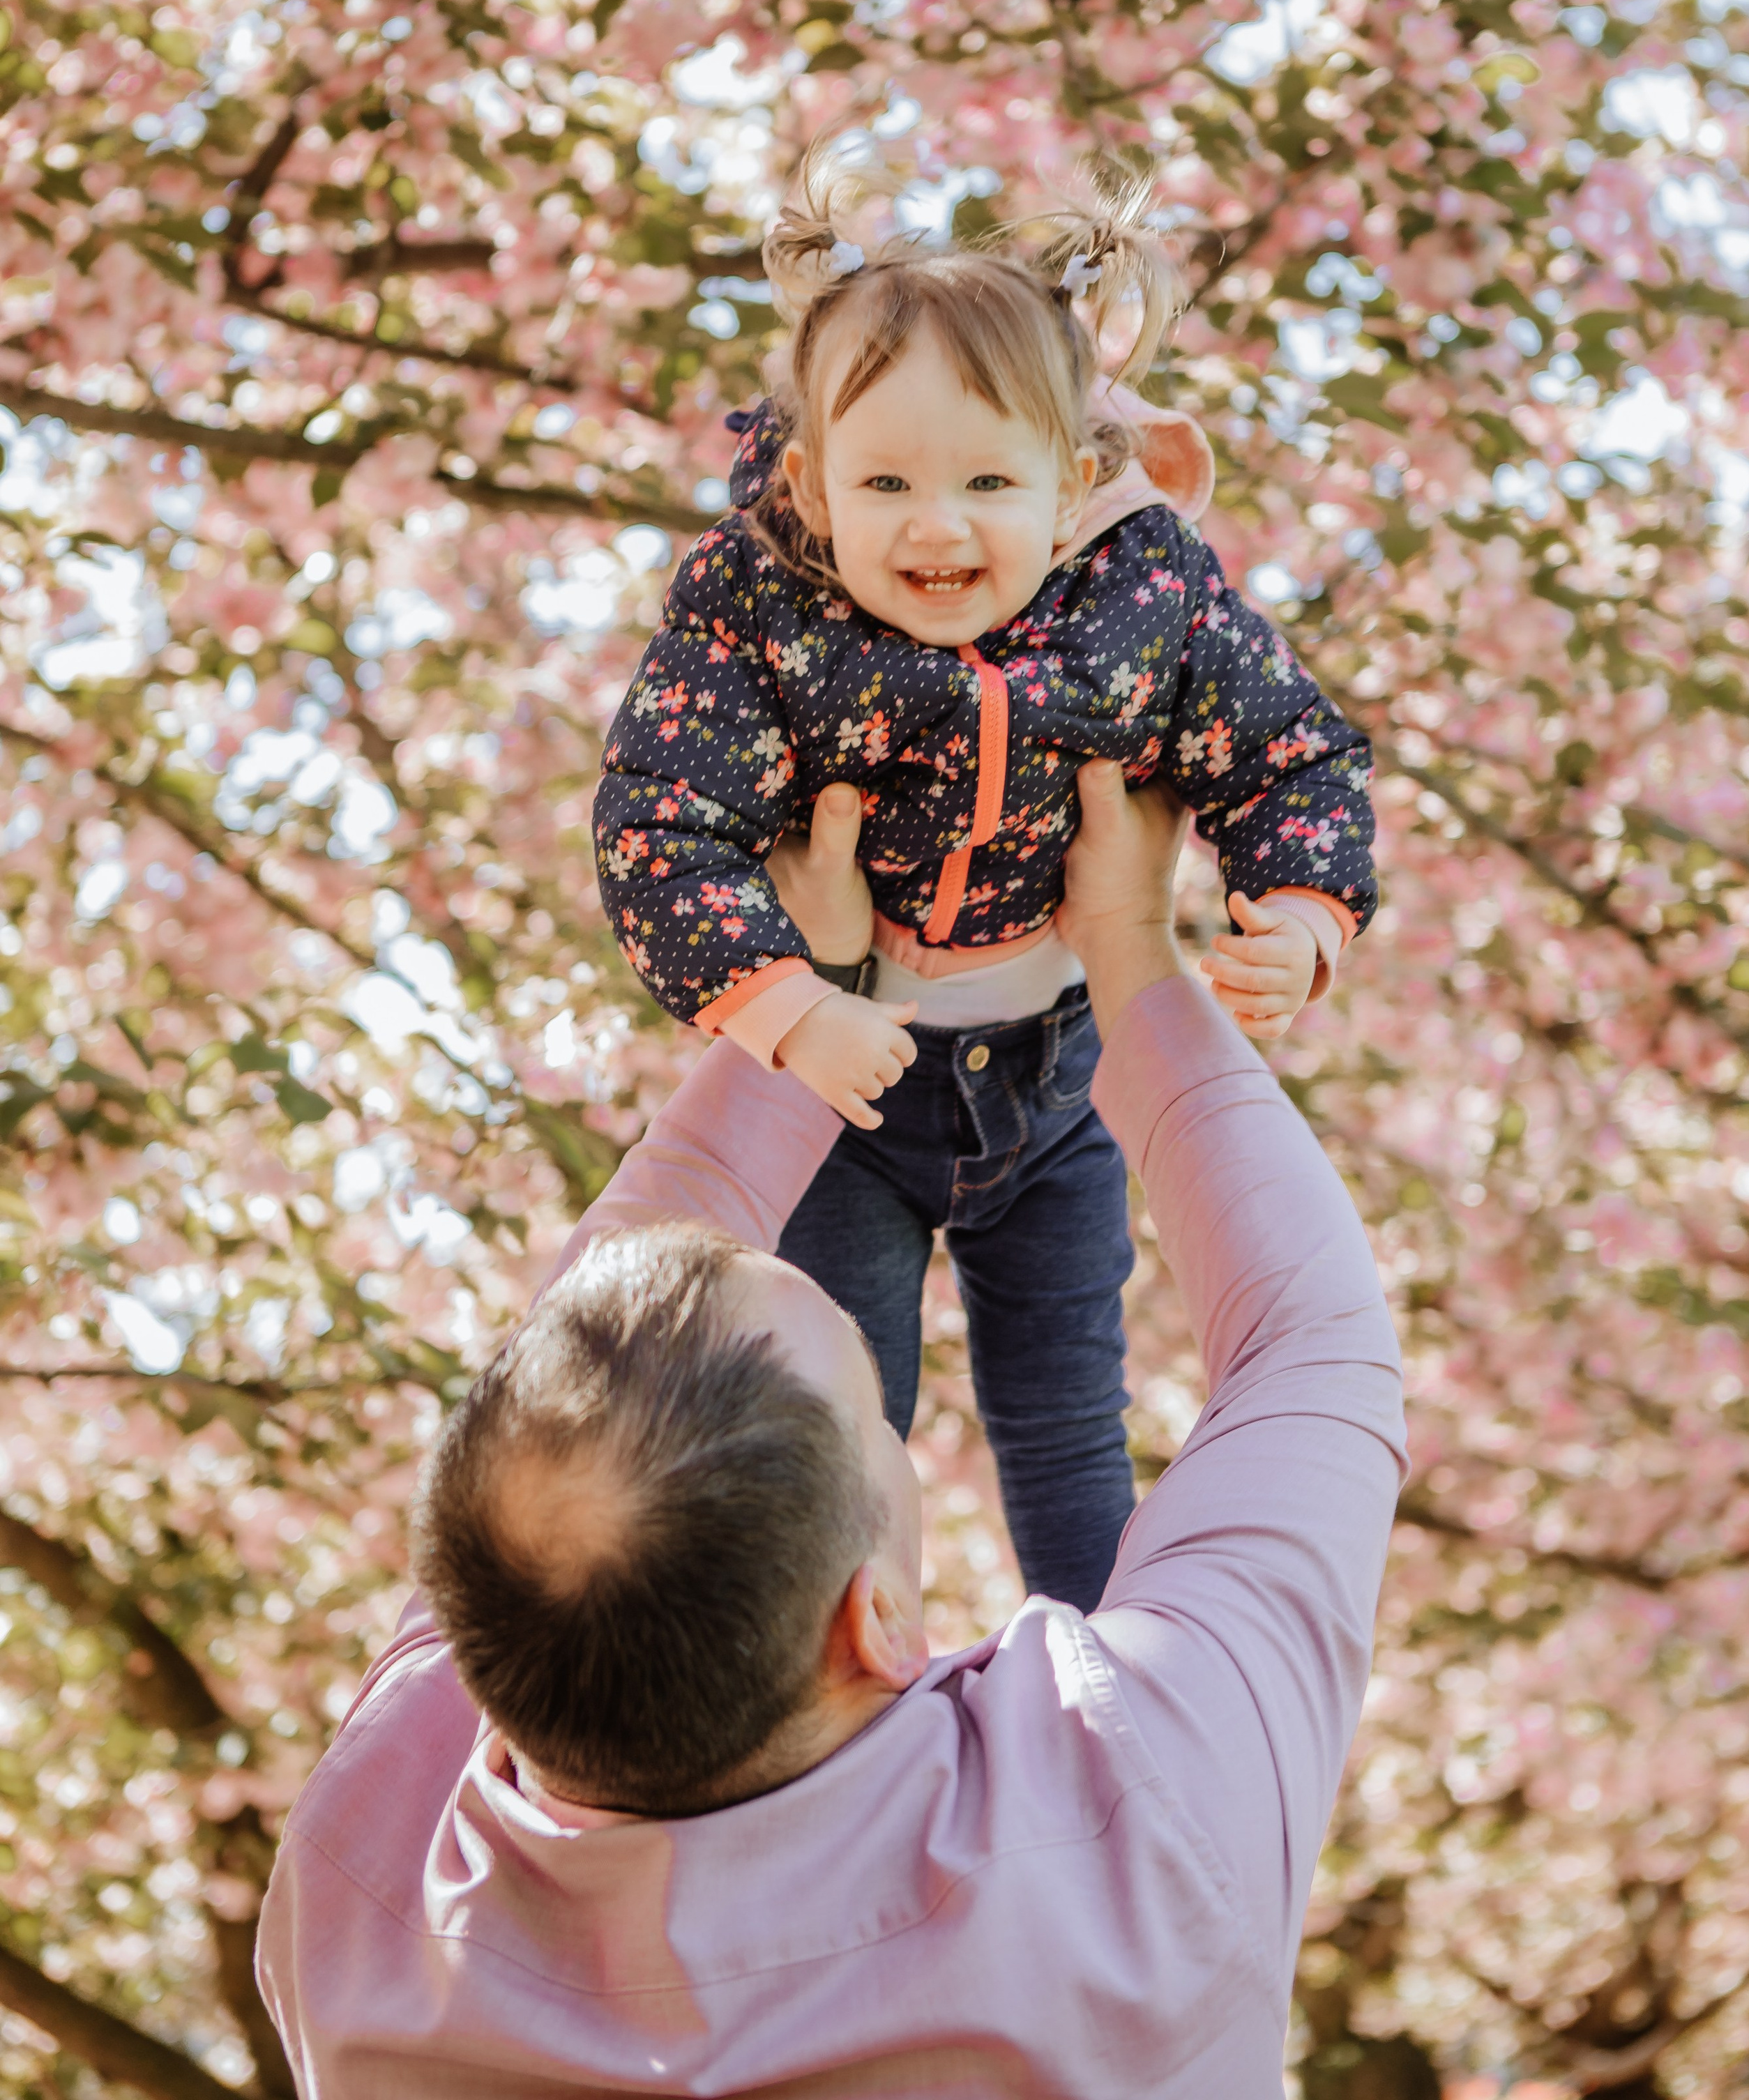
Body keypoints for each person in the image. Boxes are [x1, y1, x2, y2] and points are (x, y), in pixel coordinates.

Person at [257, 763, 1407, 2099]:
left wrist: (808, 1000)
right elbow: (1313, 1343)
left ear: (465, 1626)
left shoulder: (369, 1890)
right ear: (876, 1621)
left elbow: (581, 1373)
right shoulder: (1136, 1830)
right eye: (875, 1402)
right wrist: (1135, 951)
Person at [593, 137, 1377, 1606]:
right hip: (848, 1082)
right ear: (815, 481)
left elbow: (1288, 751)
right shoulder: (759, 609)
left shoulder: (1146, 598)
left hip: (1053, 1080)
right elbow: (656, 819)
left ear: (1072, 477)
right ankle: (847, 1689)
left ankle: (1092, 1685)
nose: (933, 526)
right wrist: (781, 999)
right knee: (841, 1419)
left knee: (1068, 1419)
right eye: (882, 478)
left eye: (984, 481)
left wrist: (1304, 909)